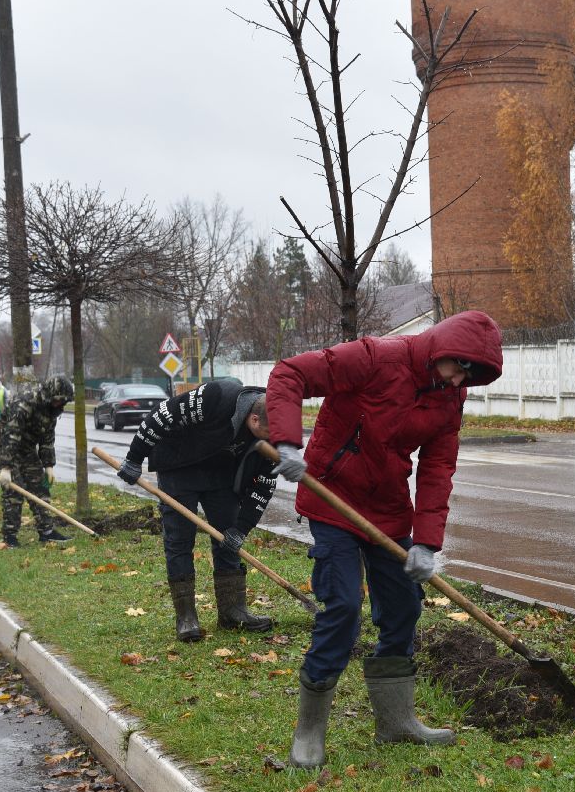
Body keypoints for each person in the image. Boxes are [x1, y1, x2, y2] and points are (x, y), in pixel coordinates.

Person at [265, 310, 504, 768]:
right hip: (332, 499)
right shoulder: (375, 358)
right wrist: (288, 442)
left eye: (471, 374)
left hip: (389, 508)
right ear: (440, 348)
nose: (459, 380)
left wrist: (426, 544)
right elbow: (289, 373)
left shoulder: (449, 399)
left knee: (402, 608)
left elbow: (437, 468)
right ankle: (309, 734)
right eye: (458, 366)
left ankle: (396, 723)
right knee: (342, 607)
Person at [116, 379, 278, 642]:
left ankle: (232, 611)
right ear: (255, 419)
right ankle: (186, 617)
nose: (272, 443)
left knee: (227, 537)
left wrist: (241, 528)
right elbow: (160, 416)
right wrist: (135, 458)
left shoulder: (276, 433)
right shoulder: (217, 397)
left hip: (221, 469)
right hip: (178, 464)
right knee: (180, 539)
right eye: (268, 436)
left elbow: (264, 486)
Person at [0, 376, 75, 547]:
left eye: (63, 401)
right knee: (14, 491)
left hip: (27, 448)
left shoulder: (51, 410)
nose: (61, 404)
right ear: (51, 395)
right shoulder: (25, 402)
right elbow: (12, 433)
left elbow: (47, 439)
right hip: (5, 445)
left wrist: (48, 466)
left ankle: (47, 532)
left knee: (40, 487)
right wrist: (6, 467)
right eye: (59, 400)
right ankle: (10, 535)